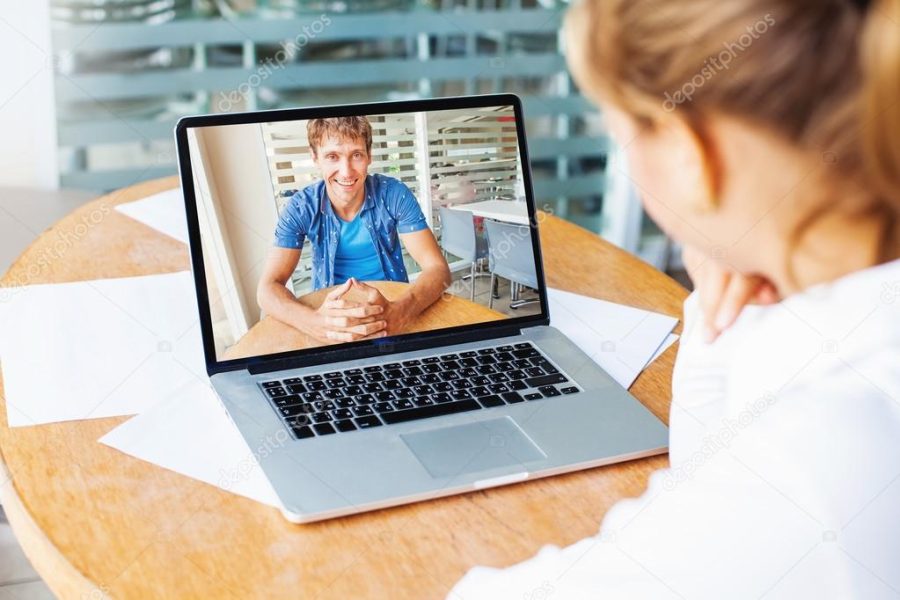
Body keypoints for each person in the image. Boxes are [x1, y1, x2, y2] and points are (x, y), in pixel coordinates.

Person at [450, 0, 900, 597]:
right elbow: (707, 481)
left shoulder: (817, 467)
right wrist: (722, 323)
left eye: (620, 133)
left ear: (690, 153)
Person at [257, 116, 451, 345]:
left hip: (391, 307)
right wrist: (315, 323)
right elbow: (267, 289)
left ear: (369, 155)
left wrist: (401, 312)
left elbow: (438, 270)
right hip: (330, 314)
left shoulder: (394, 194)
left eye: (356, 155)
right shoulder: (301, 207)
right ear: (315, 157)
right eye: (332, 157)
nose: (346, 172)